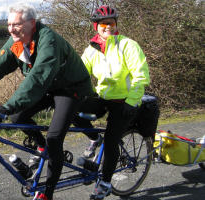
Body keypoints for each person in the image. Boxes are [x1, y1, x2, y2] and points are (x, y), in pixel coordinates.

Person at [0, 3, 95, 200]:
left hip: (71, 89)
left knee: (54, 139)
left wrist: (6, 106)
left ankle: (47, 192)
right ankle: (41, 146)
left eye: (16, 24)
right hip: (49, 86)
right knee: (18, 115)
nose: (11, 29)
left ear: (31, 23)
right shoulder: (17, 42)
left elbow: (37, 78)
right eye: (9, 24)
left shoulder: (48, 41)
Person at [78, 5, 150, 200]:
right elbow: (80, 74)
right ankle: (95, 138)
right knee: (72, 110)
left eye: (111, 22)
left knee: (111, 142)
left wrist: (132, 101)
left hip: (124, 101)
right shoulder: (91, 49)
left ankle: (106, 183)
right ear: (96, 26)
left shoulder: (128, 45)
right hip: (103, 98)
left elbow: (140, 76)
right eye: (103, 23)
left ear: (116, 24)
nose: (108, 26)